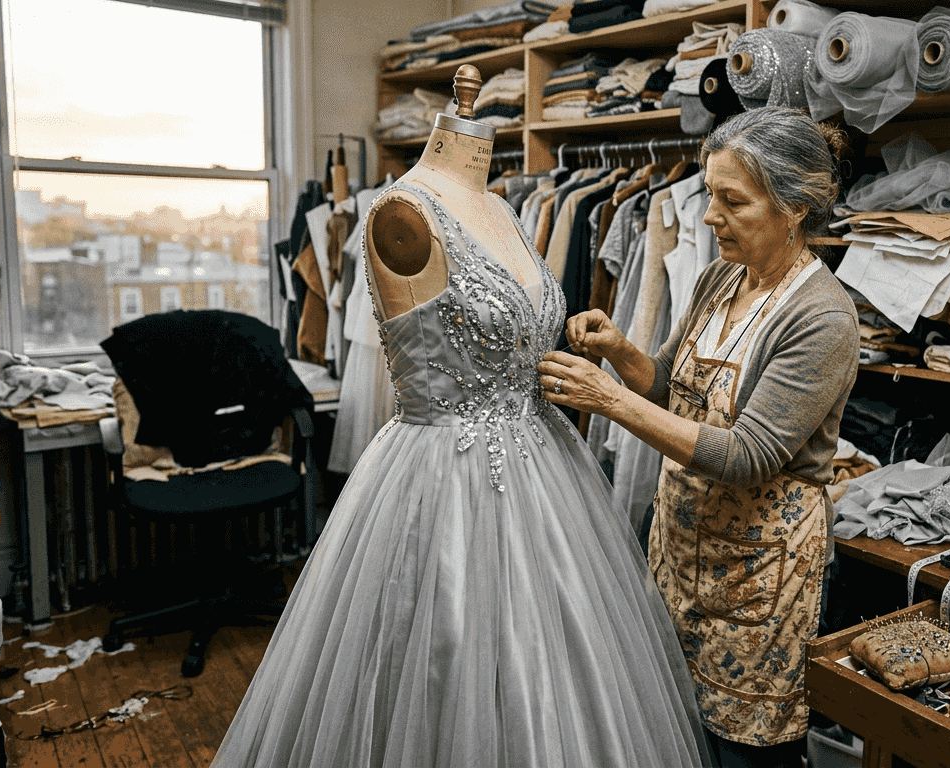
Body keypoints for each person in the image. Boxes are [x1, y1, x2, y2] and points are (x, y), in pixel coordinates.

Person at [212, 68, 712, 768]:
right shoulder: (402, 213)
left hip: (549, 476)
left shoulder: (505, 210)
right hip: (440, 475)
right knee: (438, 658)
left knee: (557, 674)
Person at [538, 106, 859, 768]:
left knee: (742, 754)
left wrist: (608, 399)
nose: (709, 216)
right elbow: (667, 384)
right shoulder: (721, 279)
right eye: (710, 195)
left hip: (756, 573)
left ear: (794, 206)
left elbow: (747, 456)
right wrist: (619, 351)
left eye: (731, 201)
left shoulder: (822, 317)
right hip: (680, 552)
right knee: (673, 733)